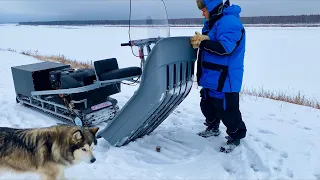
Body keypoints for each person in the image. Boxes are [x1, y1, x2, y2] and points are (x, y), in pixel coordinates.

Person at [190, 0, 247, 153]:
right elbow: (212, 42)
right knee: (207, 104)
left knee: (228, 110)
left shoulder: (230, 22)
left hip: (226, 77)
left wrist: (202, 43)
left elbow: (225, 48)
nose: (202, 13)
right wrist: (204, 40)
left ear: (213, 7)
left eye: (204, 9)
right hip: (211, 74)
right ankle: (213, 126)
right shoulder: (211, 21)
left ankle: (236, 137)